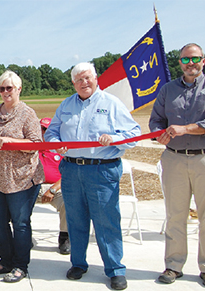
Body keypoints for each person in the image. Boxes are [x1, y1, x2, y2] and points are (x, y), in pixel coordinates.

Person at [44, 62, 140, 290]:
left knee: (106, 221)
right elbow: (51, 131)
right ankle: (78, 263)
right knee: (76, 219)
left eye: (87, 78)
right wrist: (57, 143)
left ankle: (115, 269)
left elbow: (134, 134)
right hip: (71, 169)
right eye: (79, 80)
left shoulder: (111, 103)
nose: (84, 83)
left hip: (101, 169)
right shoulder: (66, 105)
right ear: (73, 83)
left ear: (95, 79)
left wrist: (114, 138)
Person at [149, 43, 205, 288]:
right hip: (174, 159)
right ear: (180, 63)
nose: (190, 63)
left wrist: (183, 129)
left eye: (195, 59)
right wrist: (157, 134)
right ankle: (174, 265)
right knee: (175, 216)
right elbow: (156, 120)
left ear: (203, 61)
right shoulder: (168, 90)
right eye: (185, 60)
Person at [0, 70, 44, 283]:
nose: (6, 92)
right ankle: (5, 260)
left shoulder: (27, 114)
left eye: (10, 88)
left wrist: (9, 141)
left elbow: (36, 144)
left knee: (21, 223)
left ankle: (20, 265)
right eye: (2, 88)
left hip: (22, 178)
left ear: (19, 89)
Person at [38, 117, 69, 255]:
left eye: (47, 129)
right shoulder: (30, 147)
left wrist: (53, 189)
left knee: (68, 202)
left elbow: (67, 174)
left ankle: (64, 237)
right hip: (34, 186)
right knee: (15, 201)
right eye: (42, 129)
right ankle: (23, 236)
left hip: (55, 188)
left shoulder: (60, 149)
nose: (43, 132)